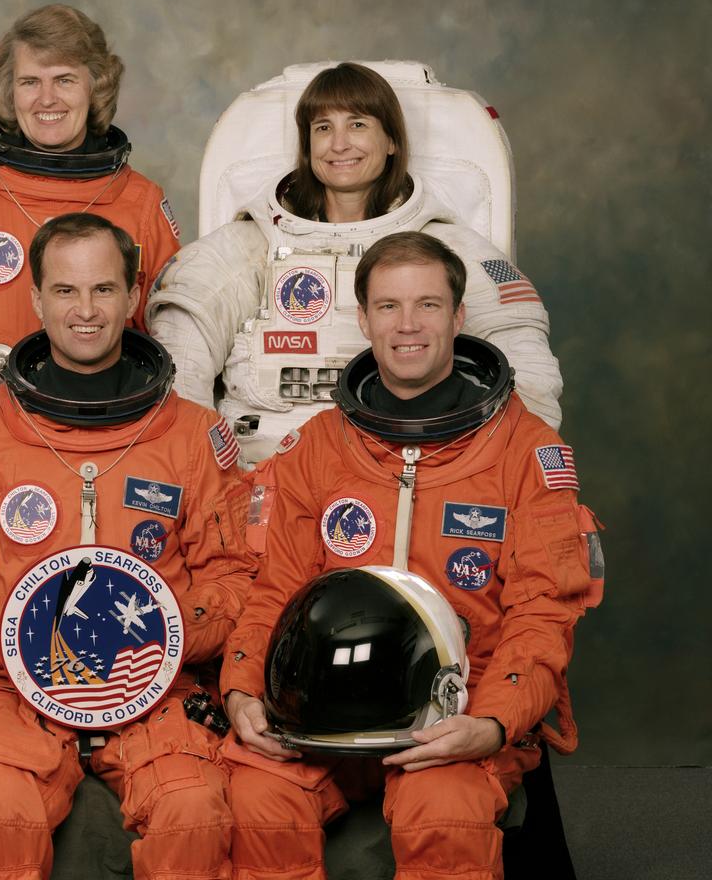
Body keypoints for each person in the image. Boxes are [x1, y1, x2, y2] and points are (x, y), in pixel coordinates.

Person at [220, 232, 601, 879]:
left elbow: (543, 614)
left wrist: (492, 721)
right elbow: (275, 591)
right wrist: (239, 687)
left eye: (427, 305)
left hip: (460, 703)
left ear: (458, 316)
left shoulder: (524, 453)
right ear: (364, 320)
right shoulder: (318, 447)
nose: (407, 325)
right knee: (258, 797)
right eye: (389, 306)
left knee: (442, 811)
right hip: (324, 706)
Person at [0, 213, 257, 879]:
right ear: (36, 299)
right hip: (8, 685)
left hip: (156, 683)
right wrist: (23, 645)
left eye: (103, 289)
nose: (86, 311)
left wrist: (159, 637)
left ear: (133, 298)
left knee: (193, 812)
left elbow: (235, 576)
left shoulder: (192, 434)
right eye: (65, 291)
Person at [146, 61, 562, 464]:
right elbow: (180, 378)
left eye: (358, 125)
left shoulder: (451, 249)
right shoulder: (247, 246)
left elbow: (530, 384)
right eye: (323, 128)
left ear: (392, 140)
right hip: (256, 475)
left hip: (406, 474)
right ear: (308, 146)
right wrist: (214, 478)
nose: (339, 144)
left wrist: (469, 474)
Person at [0, 4, 182, 400]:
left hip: (108, 425)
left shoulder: (141, 204)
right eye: (30, 82)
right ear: (9, 92)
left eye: (64, 80)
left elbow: (175, 344)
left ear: (95, 87)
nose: (47, 99)